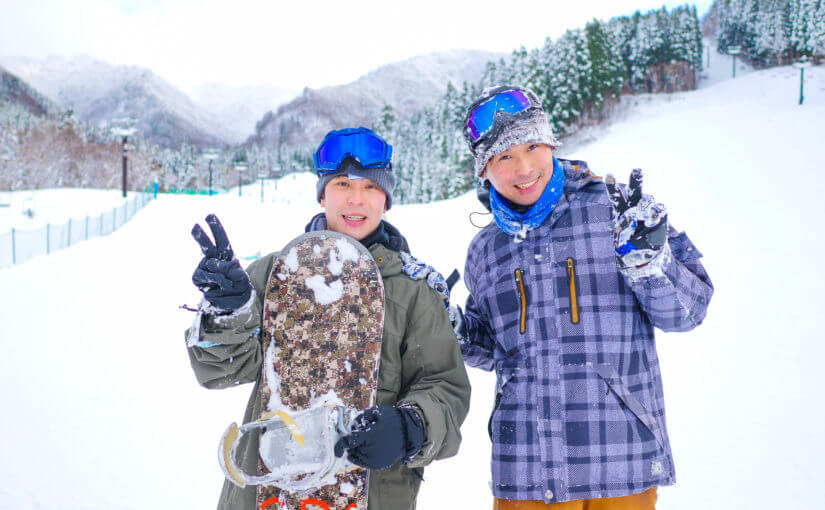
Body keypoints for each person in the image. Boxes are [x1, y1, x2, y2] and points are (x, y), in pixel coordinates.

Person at [450, 86, 713, 509]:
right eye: (503, 157)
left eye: (532, 146)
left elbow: (688, 312)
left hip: (619, 463)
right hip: (524, 475)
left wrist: (650, 262)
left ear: (552, 142)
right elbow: (498, 351)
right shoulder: (485, 250)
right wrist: (455, 329)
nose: (523, 168)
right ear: (484, 171)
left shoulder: (614, 210)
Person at [185, 127, 471, 510]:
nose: (356, 199)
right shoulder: (277, 274)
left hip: (371, 492)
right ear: (322, 195)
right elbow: (219, 371)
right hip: (268, 492)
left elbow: (445, 388)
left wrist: (410, 426)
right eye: (341, 184)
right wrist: (230, 312)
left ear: (386, 200)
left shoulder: (414, 290)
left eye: (370, 187)